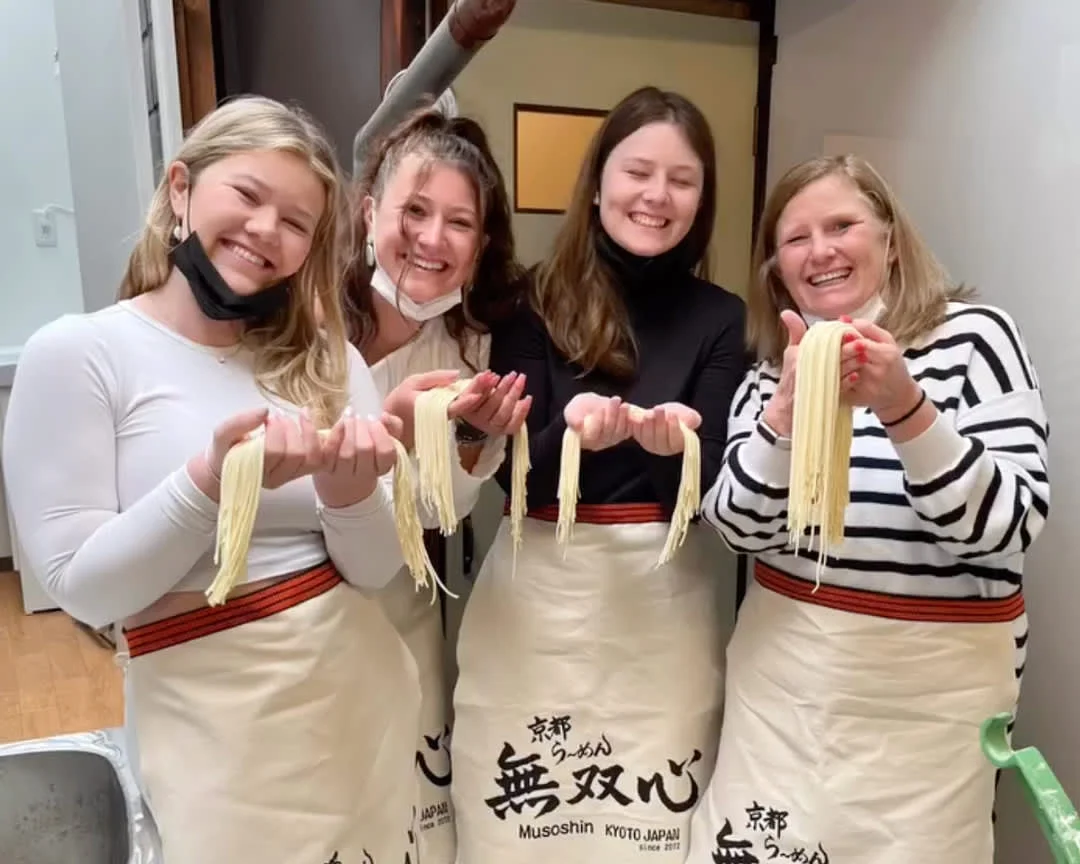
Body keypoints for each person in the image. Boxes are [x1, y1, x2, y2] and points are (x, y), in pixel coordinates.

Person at [2, 96, 429, 863]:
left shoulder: (330, 362)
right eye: (248, 195)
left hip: (358, 704)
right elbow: (83, 588)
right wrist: (208, 484)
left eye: (297, 223)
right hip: (213, 729)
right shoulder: (82, 354)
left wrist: (350, 490)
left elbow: (375, 571)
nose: (267, 230)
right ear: (180, 188)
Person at [688, 154, 1049, 864]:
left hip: (926, 709)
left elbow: (1005, 530)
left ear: (889, 238)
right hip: (789, 695)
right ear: (777, 271)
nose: (820, 250)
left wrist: (904, 406)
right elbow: (735, 526)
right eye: (795, 239)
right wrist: (786, 414)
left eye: (842, 225)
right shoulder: (771, 369)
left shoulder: (976, 341)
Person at [449, 85, 748, 863]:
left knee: (647, 823)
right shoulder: (533, 301)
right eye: (637, 171)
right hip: (538, 597)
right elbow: (511, 480)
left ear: (703, 198)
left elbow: (716, 488)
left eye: (682, 180)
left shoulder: (722, 318)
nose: (656, 196)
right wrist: (568, 433)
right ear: (599, 178)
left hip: (666, 603)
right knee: (525, 824)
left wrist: (664, 452)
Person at [343, 104, 531, 864]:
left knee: (410, 824)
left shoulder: (467, 340)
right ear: (368, 212)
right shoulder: (306, 324)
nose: (431, 239)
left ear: (480, 246)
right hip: (295, 608)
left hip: (400, 604)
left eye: (459, 223)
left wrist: (469, 439)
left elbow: (436, 516)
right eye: (413, 211)